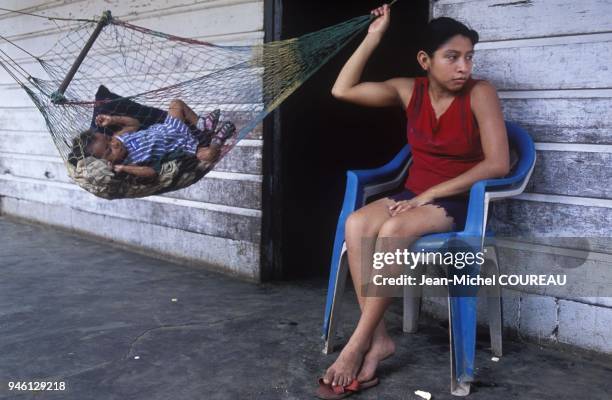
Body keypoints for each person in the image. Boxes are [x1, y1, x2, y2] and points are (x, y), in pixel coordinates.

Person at [317, 3, 510, 396]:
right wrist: (374, 36)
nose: (463, 68)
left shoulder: (480, 93)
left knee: (391, 230)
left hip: (454, 201)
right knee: (357, 224)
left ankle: (357, 345)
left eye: (468, 58)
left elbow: (499, 163)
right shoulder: (409, 90)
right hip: (412, 196)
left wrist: (432, 193)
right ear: (425, 59)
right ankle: (381, 339)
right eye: (452, 57)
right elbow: (342, 89)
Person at [86, 99, 235, 178]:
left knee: (176, 104)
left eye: (109, 139)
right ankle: (217, 140)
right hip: (181, 146)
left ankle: (203, 125)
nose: (114, 144)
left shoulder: (119, 137)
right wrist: (124, 168)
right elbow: (151, 172)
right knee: (209, 155)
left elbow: (135, 124)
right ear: (107, 162)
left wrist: (113, 120)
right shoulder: (130, 162)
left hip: (170, 127)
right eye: (109, 150)